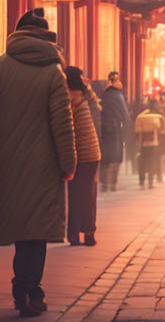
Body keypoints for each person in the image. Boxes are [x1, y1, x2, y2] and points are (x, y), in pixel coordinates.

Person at [0, 8, 76, 319]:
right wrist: (68, 161)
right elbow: (62, 122)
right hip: (45, 164)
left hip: (9, 162)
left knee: (22, 229)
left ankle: (23, 286)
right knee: (38, 230)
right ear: (45, 38)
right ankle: (31, 287)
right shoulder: (53, 72)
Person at [65, 66, 101, 247]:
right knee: (89, 194)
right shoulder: (86, 96)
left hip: (79, 153)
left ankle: (73, 234)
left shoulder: (67, 98)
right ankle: (88, 233)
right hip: (92, 152)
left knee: (75, 194)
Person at [99, 71, 130, 192]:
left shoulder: (103, 94)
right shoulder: (118, 95)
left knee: (105, 156)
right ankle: (112, 183)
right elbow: (125, 115)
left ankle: (104, 183)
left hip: (104, 128)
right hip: (115, 128)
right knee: (115, 156)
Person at [134, 98, 165, 188]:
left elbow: (137, 131)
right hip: (154, 143)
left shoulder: (141, 116)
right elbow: (162, 130)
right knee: (152, 162)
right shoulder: (158, 116)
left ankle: (141, 180)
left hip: (143, 143)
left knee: (143, 162)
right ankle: (151, 181)